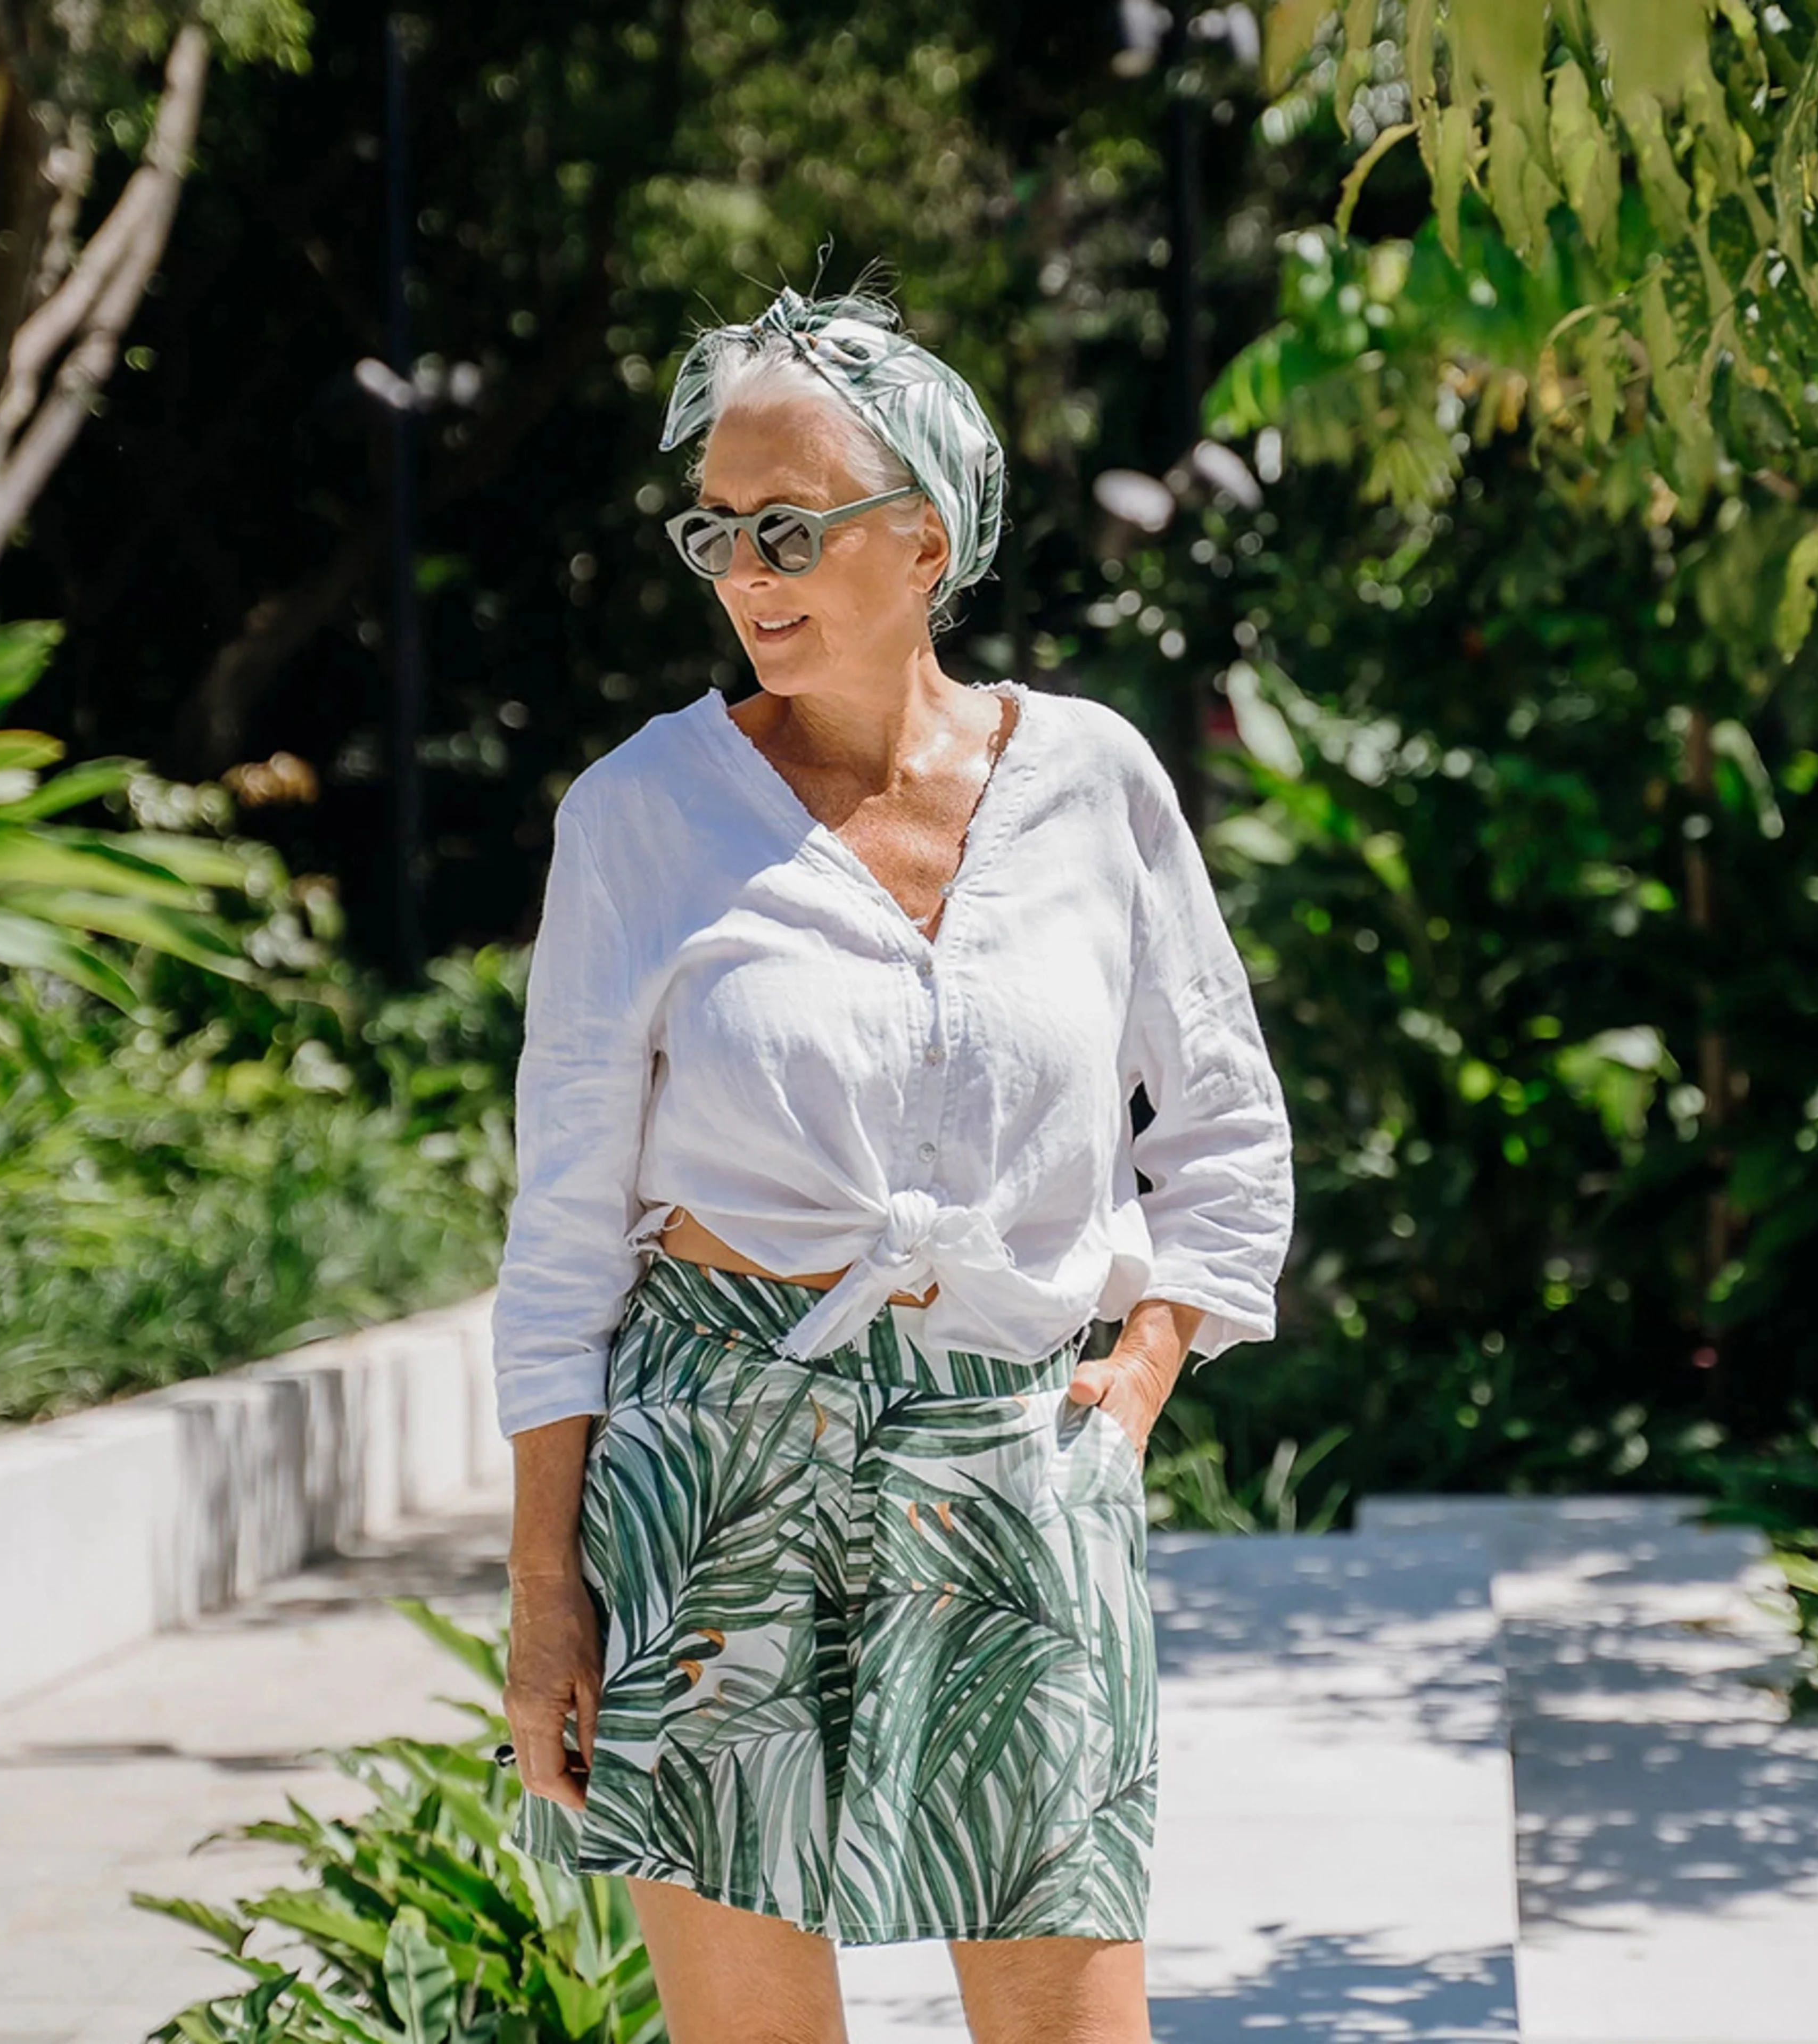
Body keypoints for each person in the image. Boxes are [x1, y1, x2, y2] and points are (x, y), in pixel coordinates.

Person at [490, 276, 1294, 2044]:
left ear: (922, 539)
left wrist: (1139, 1376)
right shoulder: (641, 812)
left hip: (1014, 1455)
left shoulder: (1092, 781)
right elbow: (561, 1238)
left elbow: (1225, 1121)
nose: (743, 573)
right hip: (713, 1474)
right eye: (716, 530)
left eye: (789, 527)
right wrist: (549, 1594)